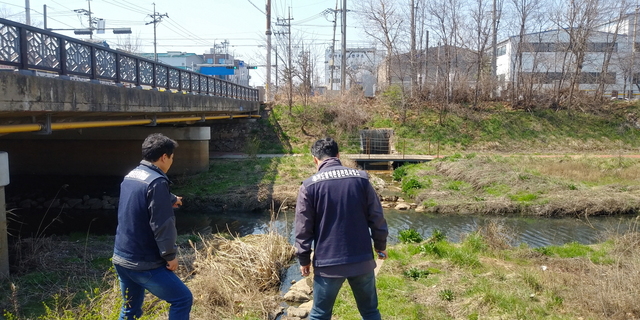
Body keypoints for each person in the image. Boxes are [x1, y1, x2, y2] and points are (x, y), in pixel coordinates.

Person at [295, 137, 389, 320]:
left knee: (320, 314)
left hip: (328, 264)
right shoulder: (361, 179)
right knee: (370, 312)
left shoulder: (309, 186)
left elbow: (303, 228)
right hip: (362, 260)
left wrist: (304, 259)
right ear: (338, 155)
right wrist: (380, 245)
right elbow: (377, 217)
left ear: (315, 159)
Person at [112, 133, 193, 320]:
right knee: (182, 299)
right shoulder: (158, 182)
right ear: (164, 156)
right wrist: (170, 256)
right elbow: (163, 225)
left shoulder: (132, 175)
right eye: (172, 157)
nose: (171, 161)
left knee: (130, 310)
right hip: (143, 262)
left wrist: (171, 199)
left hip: (121, 258)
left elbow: (140, 199)